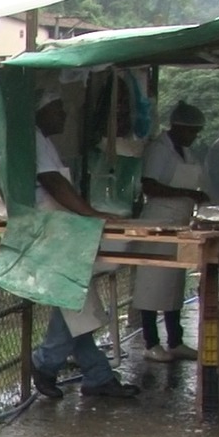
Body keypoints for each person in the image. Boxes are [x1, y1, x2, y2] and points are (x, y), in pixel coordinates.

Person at [28, 95, 140, 400]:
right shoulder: (35, 140)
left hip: (59, 224)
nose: (64, 115)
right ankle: (45, 361)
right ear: (42, 111)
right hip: (49, 227)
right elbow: (53, 182)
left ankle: (97, 375)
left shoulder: (44, 141)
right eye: (59, 109)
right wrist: (91, 214)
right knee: (74, 300)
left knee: (75, 305)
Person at [133, 101, 210, 362]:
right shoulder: (159, 149)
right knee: (151, 285)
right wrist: (188, 193)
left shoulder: (185, 152)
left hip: (179, 221)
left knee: (174, 285)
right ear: (177, 127)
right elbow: (150, 185)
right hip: (157, 221)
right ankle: (151, 342)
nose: (194, 136)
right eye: (191, 131)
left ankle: (175, 340)